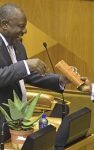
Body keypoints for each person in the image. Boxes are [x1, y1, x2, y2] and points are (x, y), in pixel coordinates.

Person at [0, 3, 69, 141]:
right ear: (4, 25)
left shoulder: (18, 45)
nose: (25, 30)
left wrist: (60, 79)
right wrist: (26, 64)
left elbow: (27, 75)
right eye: (20, 26)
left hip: (19, 121)